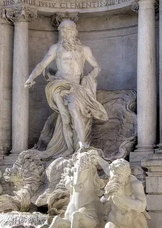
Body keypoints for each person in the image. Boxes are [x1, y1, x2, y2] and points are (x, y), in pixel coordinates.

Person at [25, 19, 108, 159]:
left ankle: (81, 145)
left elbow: (96, 67)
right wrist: (31, 77)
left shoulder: (84, 49)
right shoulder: (56, 48)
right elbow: (42, 64)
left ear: (73, 31)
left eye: (65, 29)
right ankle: (69, 148)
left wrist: (87, 80)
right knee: (64, 116)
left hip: (76, 87)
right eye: (61, 30)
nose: (63, 32)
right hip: (59, 84)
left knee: (74, 110)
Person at [103, 159, 149, 228]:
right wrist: (107, 194)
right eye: (114, 174)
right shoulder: (113, 180)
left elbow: (142, 207)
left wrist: (122, 196)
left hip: (133, 222)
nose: (116, 177)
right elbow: (105, 167)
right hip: (114, 220)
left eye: (119, 175)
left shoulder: (135, 184)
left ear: (127, 173)